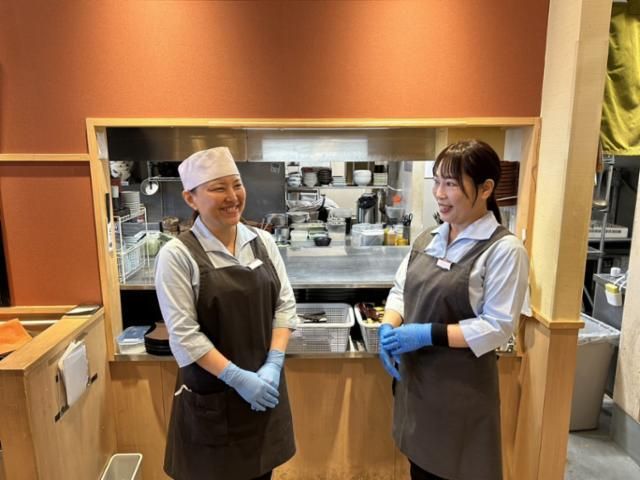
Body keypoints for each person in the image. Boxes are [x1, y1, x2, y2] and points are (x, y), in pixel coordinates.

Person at [378, 139, 529, 480]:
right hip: (418, 390)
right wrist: (388, 325)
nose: (439, 193)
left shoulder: (504, 250)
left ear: (486, 188)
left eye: (451, 184)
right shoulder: (428, 239)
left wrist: (427, 333)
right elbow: (401, 290)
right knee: (420, 469)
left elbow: (498, 326)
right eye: (437, 181)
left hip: (460, 396)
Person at [155, 147, 297, 480]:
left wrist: (274, 364)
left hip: (263, 392)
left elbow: (284, 305)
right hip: (213, 401)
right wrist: (237, 378)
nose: (232, 197)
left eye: (237, 185)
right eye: (218, 188)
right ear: (190, 198)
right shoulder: (177, 255)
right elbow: (185, 335)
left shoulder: (262, 241)